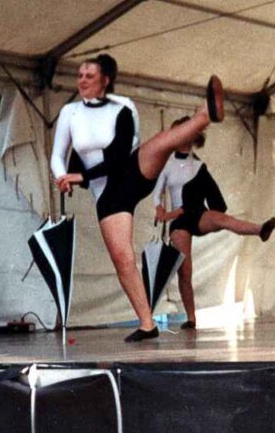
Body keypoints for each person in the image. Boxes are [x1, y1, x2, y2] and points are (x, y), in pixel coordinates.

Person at [50, 54, 225, 342]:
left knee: (162, 141)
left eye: (89, 75)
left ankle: (205, 113)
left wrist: (81, 176)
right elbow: (58, 154)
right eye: (79, 75)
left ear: (105, 80)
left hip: (128, 173)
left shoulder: (123, 108)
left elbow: (122, 154)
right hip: (107, 194)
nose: (82, 80)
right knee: (124, 260)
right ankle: (147, 324)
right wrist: (61, 176)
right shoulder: (70, 112)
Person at [153, 116, 275, 329]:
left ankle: (260, 229)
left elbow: (216, 199)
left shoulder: (199, 166)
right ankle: (191, 318)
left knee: (223, 219)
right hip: (179, 220)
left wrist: (210, 210)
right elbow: (157, 195)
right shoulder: (167, 164)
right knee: (185, 270)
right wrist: (161, 212)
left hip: (198, 213)